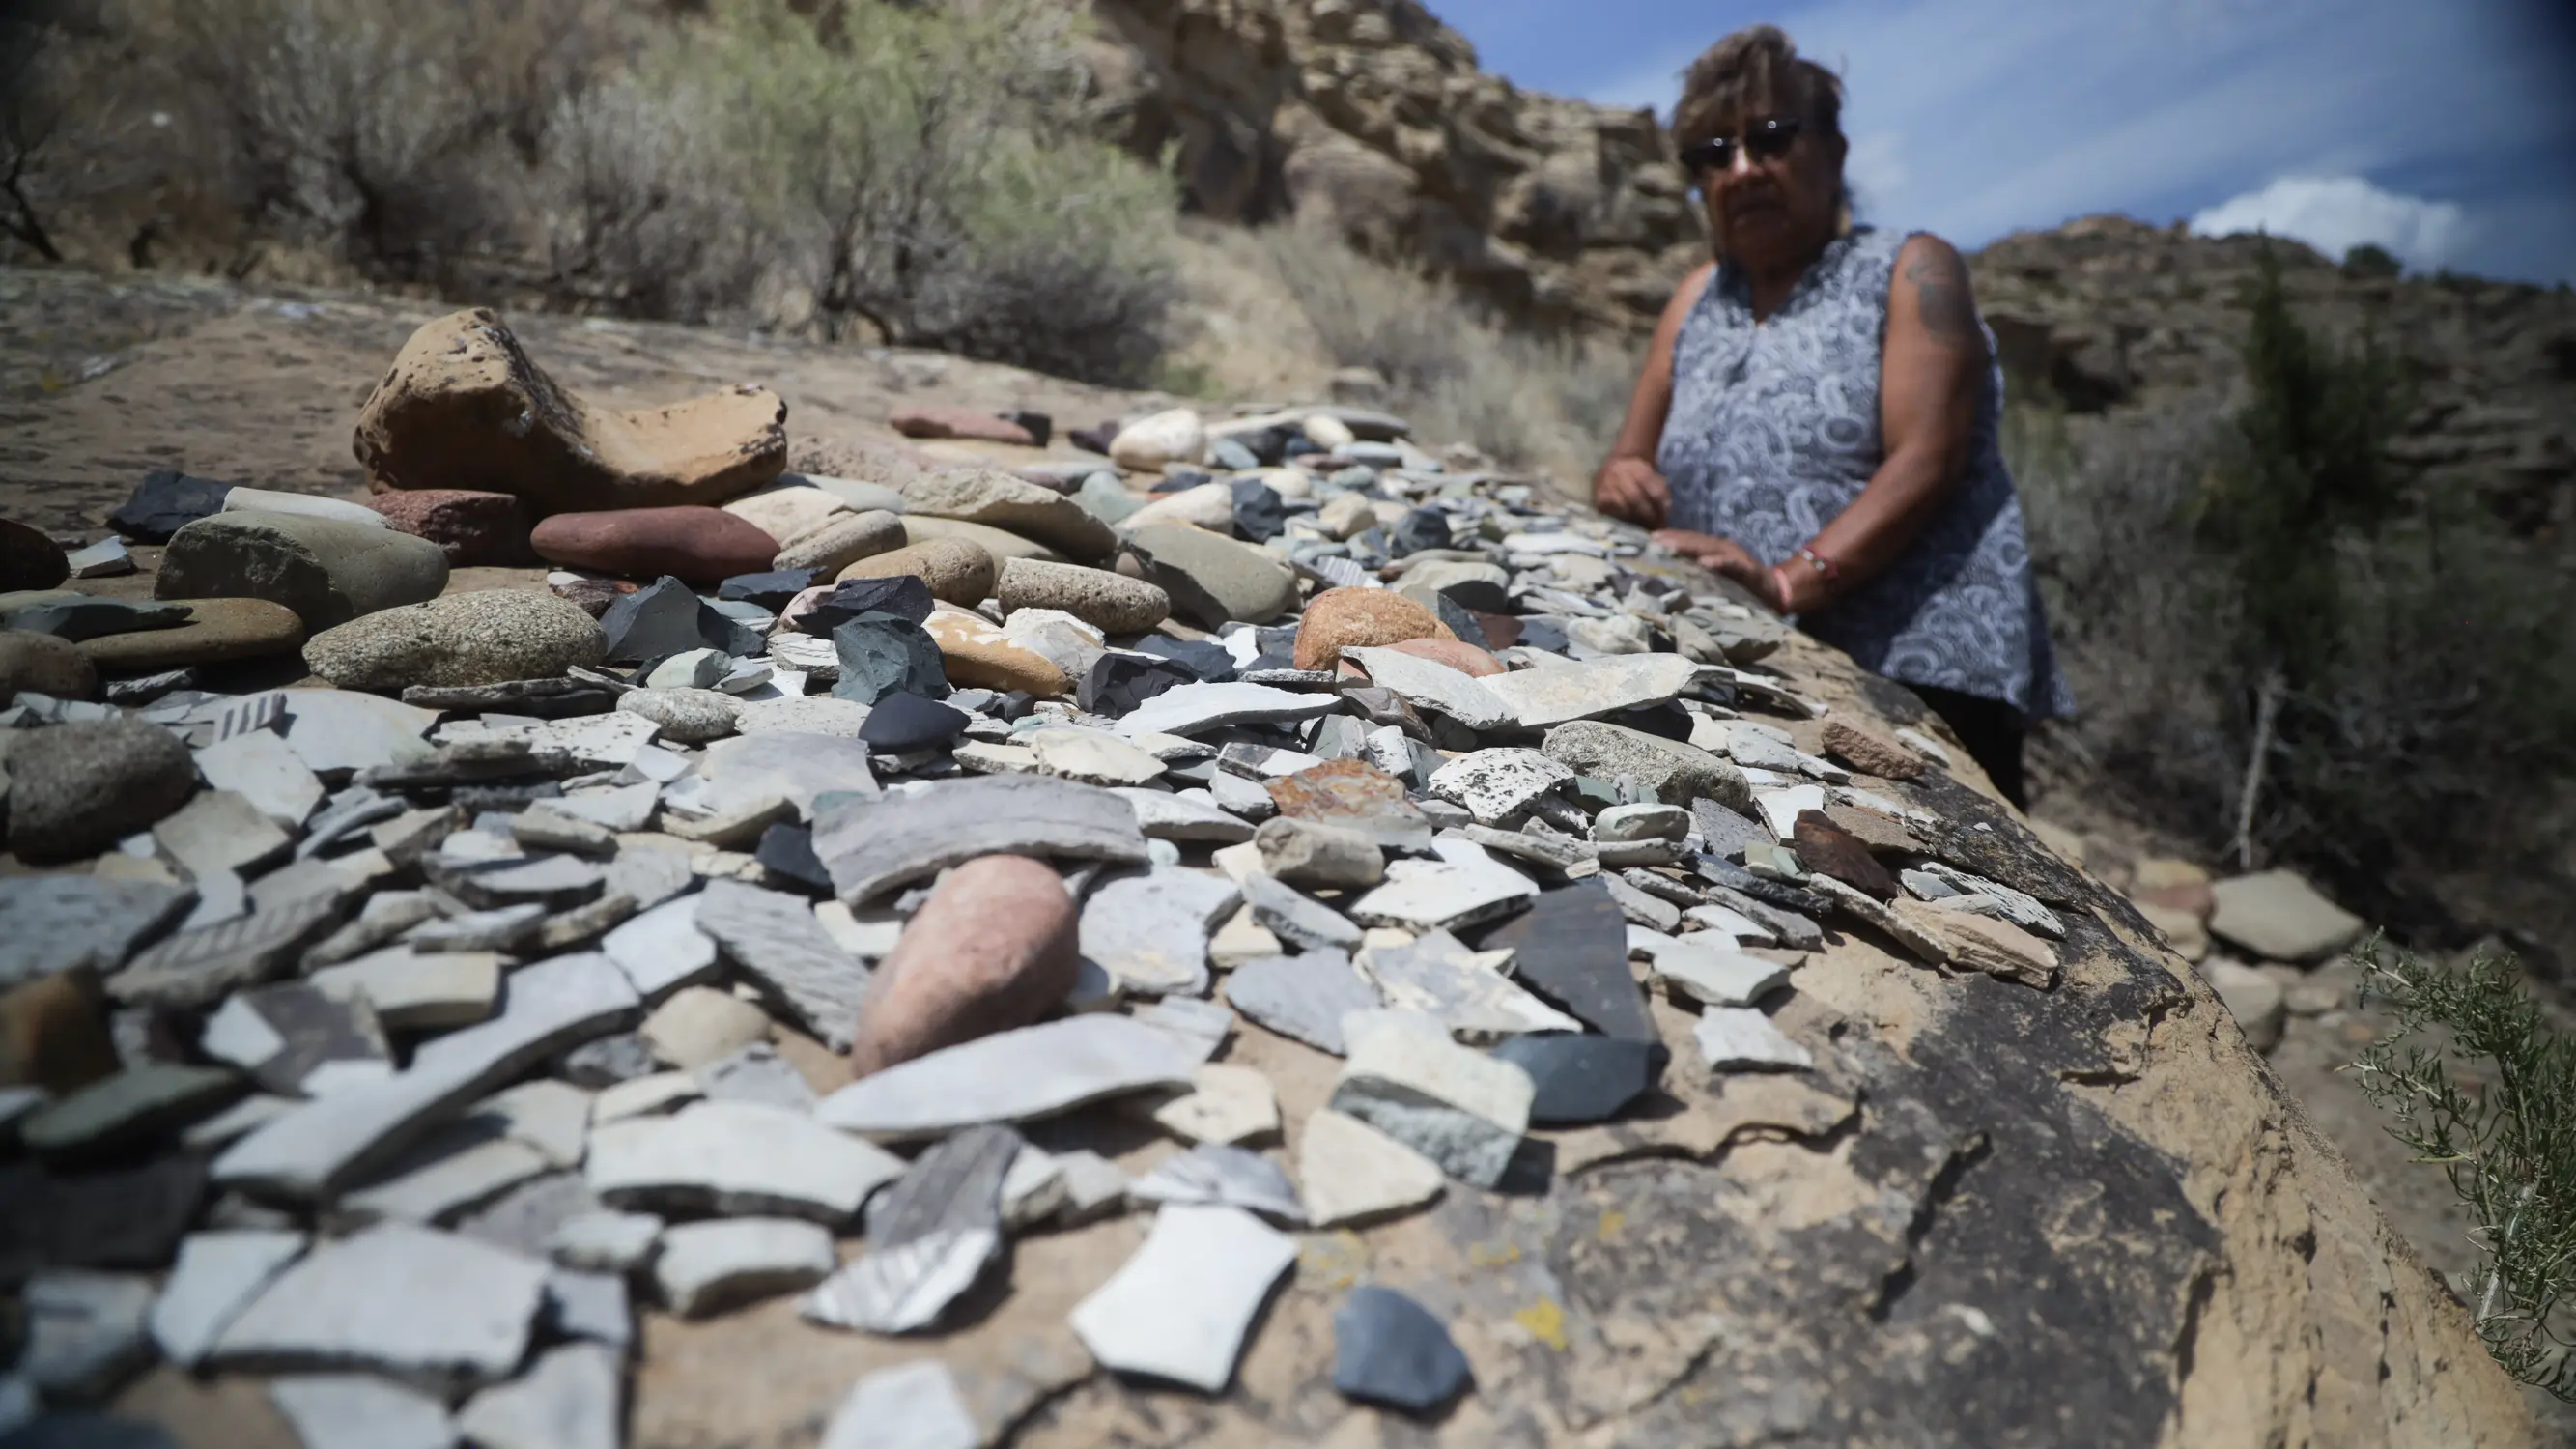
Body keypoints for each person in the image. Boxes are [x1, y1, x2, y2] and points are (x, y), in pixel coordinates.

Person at [1594, 25, 2073, 808]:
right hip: (1744, 662)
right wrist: (1621, 479)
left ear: (1835, 152)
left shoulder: (1909, 268)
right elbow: (1624, 460)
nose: (1741, 169)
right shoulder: (1694, 299)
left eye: (1770, 139)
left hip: (1914, 675)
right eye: (1713, 154)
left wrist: (1788, 582)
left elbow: (1926, 458)